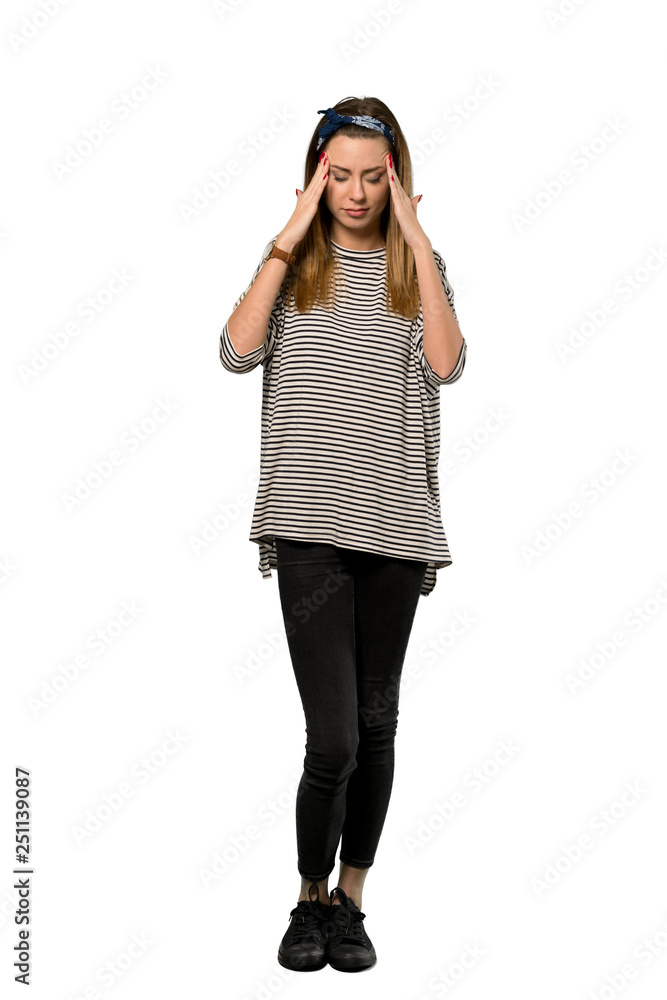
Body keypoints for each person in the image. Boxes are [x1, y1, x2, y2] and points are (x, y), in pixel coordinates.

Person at [219, 98, 467, 973]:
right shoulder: (292, 264)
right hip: (308, 526)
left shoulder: (417, 268)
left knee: (375, 724)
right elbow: (236, 352)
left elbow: (446, 364)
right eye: (339, 176)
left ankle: (351, 903)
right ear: (316, 177)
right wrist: (288, 232)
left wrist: (416, 239)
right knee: (334, 740)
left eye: (372, 178)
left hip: (394, 526)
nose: (356, 193)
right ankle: (307, 897)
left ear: (395, 180)